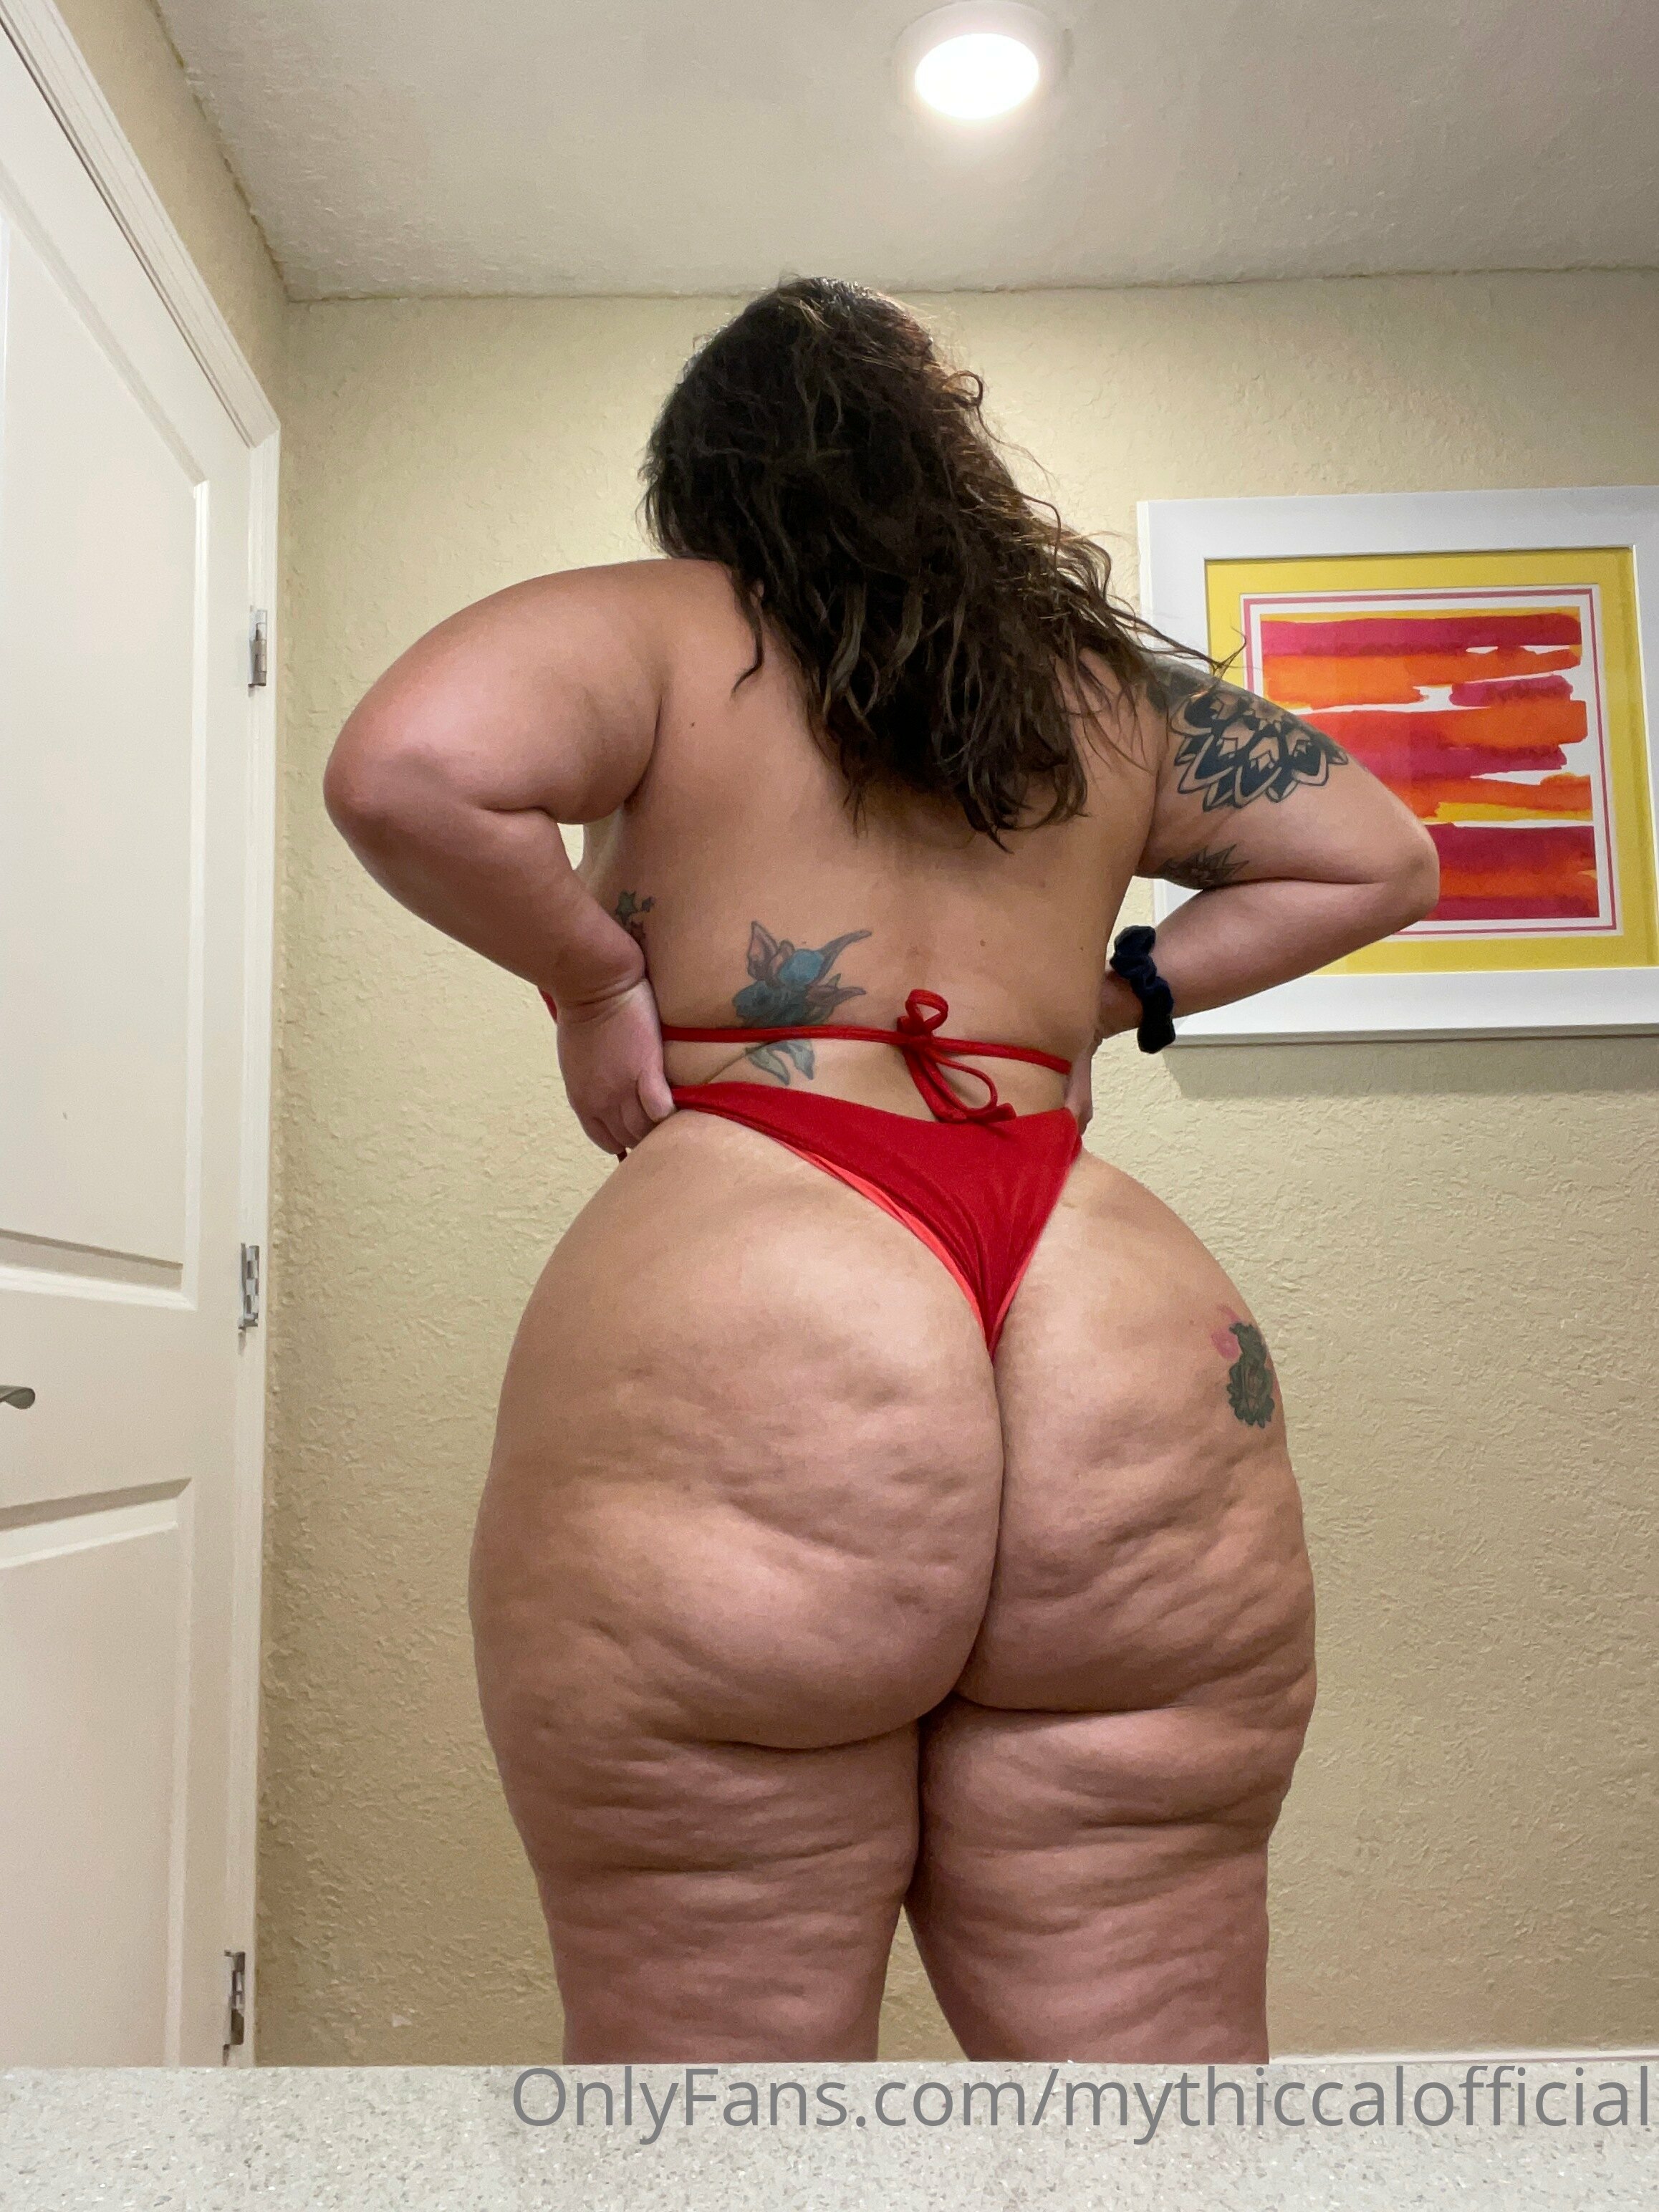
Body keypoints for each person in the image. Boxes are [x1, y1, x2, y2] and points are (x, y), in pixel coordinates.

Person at [324, 277, 1438, 2064]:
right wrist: (1110, 993)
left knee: (723, 2099)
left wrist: (592, 977)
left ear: (704, 482)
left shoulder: (672, 623)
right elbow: (1379, 858)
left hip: (773, 1253)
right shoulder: (1097, 688)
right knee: (1156, 2099)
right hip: (1109, 1301)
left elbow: (408, 768)